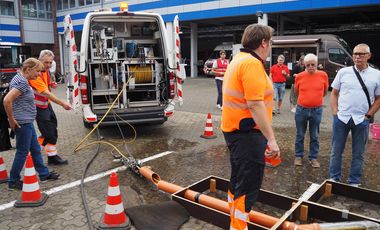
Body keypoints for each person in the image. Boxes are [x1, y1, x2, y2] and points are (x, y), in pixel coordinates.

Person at [221, 24, 280, 230]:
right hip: (247, 134)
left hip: (235, 131)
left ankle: (234, 220)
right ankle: (238, 226)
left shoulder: (238, 59)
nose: (271, 46)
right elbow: (255, 104)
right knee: (248, 184)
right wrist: (271, 139)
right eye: (270, 42)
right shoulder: (252, 64)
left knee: (238, 178)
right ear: (263, 42)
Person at [3, 58, 60, 190]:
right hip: (22, 122)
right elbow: (7, 100)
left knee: (35, 149)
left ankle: (44, 174)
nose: (39, 74)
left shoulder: (20, 78)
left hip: (27, 121)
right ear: (29, 69)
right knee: (22, 152)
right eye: (38, 71)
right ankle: (13, 180)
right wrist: (11, 119)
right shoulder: (22, 82)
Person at [329, 43, 380, 186]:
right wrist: (335, 112)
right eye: (355, 53)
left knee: (358, 153)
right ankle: (334, 178)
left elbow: (379, 99)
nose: (357, 56)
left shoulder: (377, 75)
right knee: (336, 151)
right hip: (341, 118)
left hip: (362, 119)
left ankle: (354, 181)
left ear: (368, 56)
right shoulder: (343, 72)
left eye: (361, 54)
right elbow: (334, 93)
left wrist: (368, 116)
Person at [29, 50, 71, 165]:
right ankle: (32, 153)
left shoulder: (45, 71)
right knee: (48, 134)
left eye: (50, 62)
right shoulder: (35, 74)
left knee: (53, 130)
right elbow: (46, 93)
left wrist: (51, 84)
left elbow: (46, 87)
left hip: (46, 105)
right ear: (39, 60)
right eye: (46, 62)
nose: (48, 65)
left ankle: (52, 157)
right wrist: (63, 104)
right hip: (38, 108)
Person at [293, 53, 328, 168]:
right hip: (301, 109)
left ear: (317, 64)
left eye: (313, 64)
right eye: (308, 65)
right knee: (300, 134)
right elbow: (296, 92)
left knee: (315, 135)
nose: (311, 67)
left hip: (316, 110)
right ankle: (298, 156)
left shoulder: (323, 75)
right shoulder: (300, 76)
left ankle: (313, 158)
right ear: (304, 65)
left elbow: (325, 92)